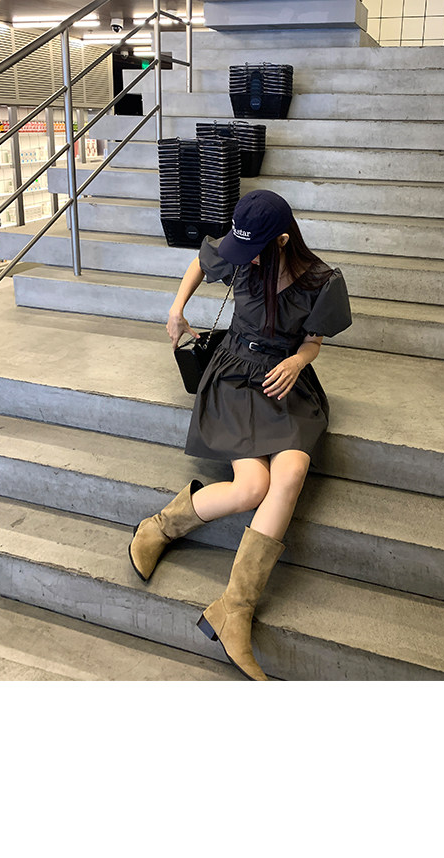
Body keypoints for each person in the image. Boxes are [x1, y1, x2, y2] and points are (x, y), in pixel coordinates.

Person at [128, 189, 352, 680]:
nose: (243, 257)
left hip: (282, 382)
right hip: (234, 376)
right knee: (252, 487)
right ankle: (160, 526)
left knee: (292, 470)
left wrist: (298, 361)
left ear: (282, 241)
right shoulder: (241, 253)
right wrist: (176, 308)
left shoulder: (321, 281)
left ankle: (234, 609)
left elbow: (313, 342)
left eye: (253, 249)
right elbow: (201, 263)